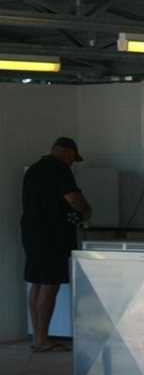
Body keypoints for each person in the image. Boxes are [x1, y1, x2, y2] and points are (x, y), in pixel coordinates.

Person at [21, 137, 92, 353]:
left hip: (31, 233)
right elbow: (73, 198)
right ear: (67, 153)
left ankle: (37, 337)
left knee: (37, 283)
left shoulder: (33, 169)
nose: (72, 163)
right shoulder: (59, 169)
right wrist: (87, 211)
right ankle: (43, 340)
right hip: (53, 234)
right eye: (73, 159)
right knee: (50, 284)